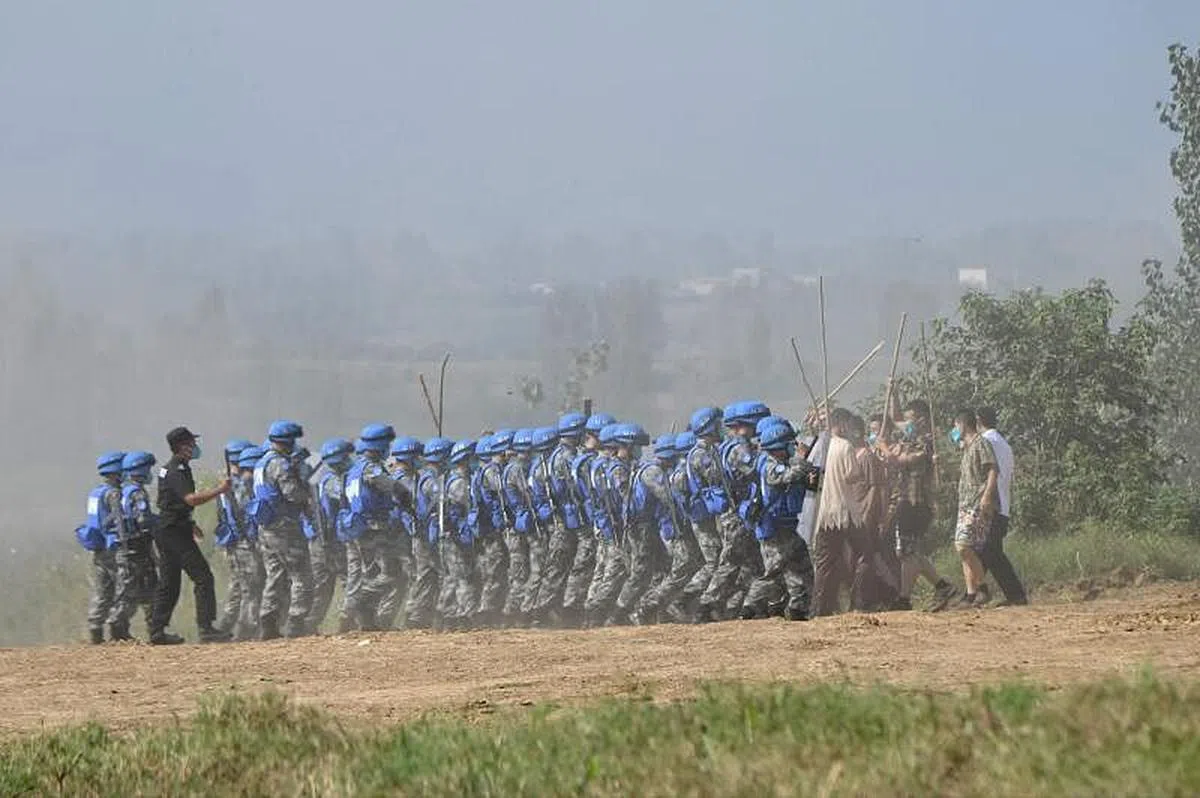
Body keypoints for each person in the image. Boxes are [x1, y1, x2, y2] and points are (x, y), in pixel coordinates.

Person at [149, 427, 231, 645]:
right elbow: (190, 499)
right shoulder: (177, 470)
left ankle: (157, 631)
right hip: (174, 532)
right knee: (203, 577)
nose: (194, 447)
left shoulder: (172, 469)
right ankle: (206, 628)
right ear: (181, 446)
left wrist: (190, 523)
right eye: (191, 443)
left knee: (169, 583)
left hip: (171, 528)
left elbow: (171, 503)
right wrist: (220, 490)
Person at [878, 400, 958, 611]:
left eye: (910, 419)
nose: (906, 423)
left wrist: (884, 448)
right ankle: (940, 586)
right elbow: (895, 419)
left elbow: (902, 460)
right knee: (909, 551)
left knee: (907, 551)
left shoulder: (926, 441)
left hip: (917, 502)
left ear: (921, 419)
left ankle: (905, 597)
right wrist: (893, 393)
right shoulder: (908, 438)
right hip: (905, 499)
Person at [697, 401, 770, 623]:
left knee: (753, 564)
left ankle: (748, 606)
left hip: (735, 512)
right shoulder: (739, 448)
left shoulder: (728, 446)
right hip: (736, 513)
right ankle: (706, 606)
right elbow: (755, 470)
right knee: (730, 562)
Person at [743, 420, 818, 621]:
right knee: (773, 573)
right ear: (779, 447)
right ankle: (749, 609)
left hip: (786, 527)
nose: (793, 448)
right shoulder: (769, 465)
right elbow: (787, 477)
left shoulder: (780, 463)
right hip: (774, 528)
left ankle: (798, 608)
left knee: (800, 567)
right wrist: (801, 458)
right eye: (789, 445)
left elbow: (796, 478)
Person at [251, 419, 313, 639]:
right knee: (301, 575)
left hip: (266, 527)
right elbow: (292, 493)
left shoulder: (261, 463)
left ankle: (268, 624)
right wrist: (306, 492)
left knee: (275, 576)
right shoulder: (280, 464)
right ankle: (296, 623)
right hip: (284, 527)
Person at [811, 409, 875, 616]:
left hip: (824, 512)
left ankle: (820, 608)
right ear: (841, 424)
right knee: (865, 553)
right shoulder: (844, 446)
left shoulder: (819, 446)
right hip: (845, 511)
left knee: (825, 562)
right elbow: (852, 475)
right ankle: (858, 602)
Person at [636, 434, 703, 624]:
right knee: (682, 568)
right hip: (670, 527)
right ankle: (648, 606)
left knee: (676, 569)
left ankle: (659, 608)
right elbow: (670, 499)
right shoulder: (655, 472)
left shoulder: (661, 471)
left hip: (668, 526)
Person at [531, 413, 588, 627]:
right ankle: (545, 611)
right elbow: (576, 486)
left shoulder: (554, 457)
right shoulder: (566, 457)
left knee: (559, 565)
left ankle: (547, 609)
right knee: (560, 565)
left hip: (563, 517)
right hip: (565, 518)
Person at [976, 407, 1028, 605]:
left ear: (978, 421)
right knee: (989, 552)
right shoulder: (1003, 443)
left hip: (990, 505)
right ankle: (1012, 595)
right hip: (1002, 504)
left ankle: (976, 593)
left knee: (985, 551)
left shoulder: (985, 442)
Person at [679, 407, 726, 621]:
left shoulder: (708, 451)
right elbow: (717, 477)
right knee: (713, 562)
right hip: (702, 517)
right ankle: (684, 600)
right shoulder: (701, 455)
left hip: (707, 514)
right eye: (718, 425)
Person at [108, 451, 161, 641]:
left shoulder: (122, 491)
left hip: (127, 547)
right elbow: (143, 520)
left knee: (141, 589)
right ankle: (120, 629)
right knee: (138, 590)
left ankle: (154, 630)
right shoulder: (137, 493)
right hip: (137, 548)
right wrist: (161, 523)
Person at [77, 451, 126, 644]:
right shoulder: (113, 493)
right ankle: (118, 630)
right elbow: (119, 521)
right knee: (121, 588)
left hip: (98, 547)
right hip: (112, 547)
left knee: (102, 590)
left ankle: (95, 629)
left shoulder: (96, 492)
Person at [952, 409, 999, 608]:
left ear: (963, 424)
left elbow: (993, 469)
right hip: (965, 503)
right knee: (965, 549)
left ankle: (983, 588)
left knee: (963, 545)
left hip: (978, 501)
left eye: (956, 425)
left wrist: (987, 495)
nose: (955, 430)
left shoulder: (981, 443)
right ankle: (971, 593)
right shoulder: (967, 448)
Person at [306, 437, 354, 631]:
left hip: (319, 539)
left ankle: (308, 625)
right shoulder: (332, 480)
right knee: (349, 580)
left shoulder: (319, 477)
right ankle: (348, 621)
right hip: (332, 539)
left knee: (322, 587)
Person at [437, 439, 481, 629]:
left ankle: (446, 615)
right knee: (463, 577)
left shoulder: (450, 479)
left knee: (452, 578)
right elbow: (466, 509)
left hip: (450, 537)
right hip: (456, 537)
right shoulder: (460, 484)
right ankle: (467, 616)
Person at [471, 433, 511, 627]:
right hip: (491, 529)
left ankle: (489, 610)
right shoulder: (491, 472)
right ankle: (486, 612)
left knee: (493, 571)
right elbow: (501, 496)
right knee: (493, 572)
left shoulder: (481, 471)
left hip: (486, 529)